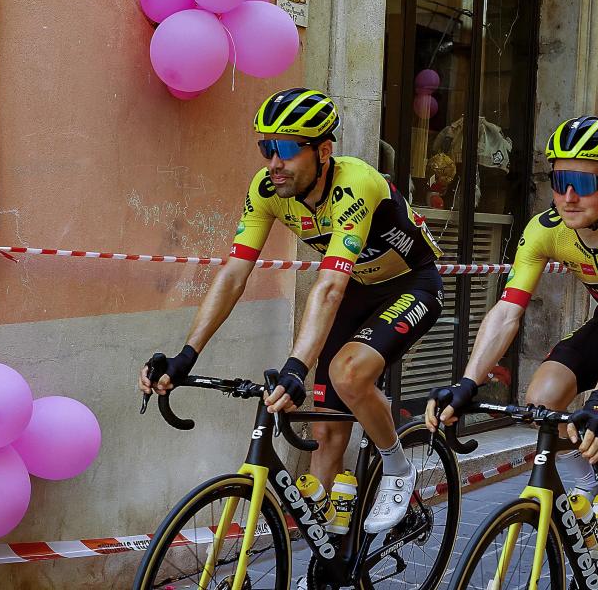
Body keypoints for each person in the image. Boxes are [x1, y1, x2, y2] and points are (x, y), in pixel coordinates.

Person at [140, 88, 445, 533]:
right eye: (266, 148)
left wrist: (296, 367)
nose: (273, 162)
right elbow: (232, 275)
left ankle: (397, 468)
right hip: (359, 287)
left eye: (285, 149)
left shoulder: (354, 183)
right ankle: (330, 563)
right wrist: (187, 355)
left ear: (323, 151)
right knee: (324, 432)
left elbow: (327, 289)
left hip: (411, 284)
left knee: (348, 373)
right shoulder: (267, 191)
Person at [425, 116, 598, 590]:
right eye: (559, 180)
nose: (568, 196)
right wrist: (468, 381)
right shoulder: (545, 228)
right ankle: (586, 487)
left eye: (582, 182)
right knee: (540, 402)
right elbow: (508, 310)